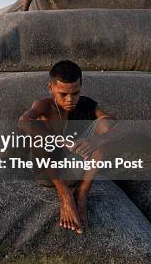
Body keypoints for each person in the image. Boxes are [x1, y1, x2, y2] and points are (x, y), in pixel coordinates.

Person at [18, 60, 114, 234]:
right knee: (36, 130)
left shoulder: (87, 104)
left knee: (105, 128)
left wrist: (95, 142)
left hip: (74, 169)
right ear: (51, 88)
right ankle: (66, 195)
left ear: (81, 87)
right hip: (47, 172)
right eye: (63, 94)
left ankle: (81, 194)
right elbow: (23, 122)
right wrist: (56, 140)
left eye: (75, 93)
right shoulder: (44, 105)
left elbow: (114, 126)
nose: (70, 100)